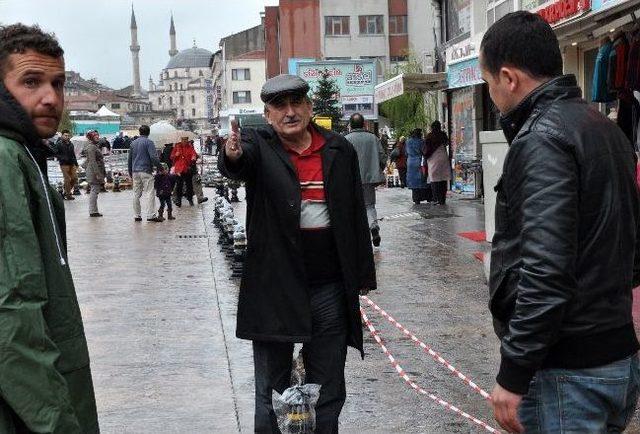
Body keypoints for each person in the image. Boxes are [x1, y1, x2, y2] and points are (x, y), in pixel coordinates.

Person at [481, 12, 640, 434]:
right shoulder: (603, 128)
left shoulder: (542, 139)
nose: (492, 95)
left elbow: (545, 269)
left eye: (489, 83)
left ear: (508, 77)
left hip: (567, 371)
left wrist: (513, 372)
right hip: (612, 356)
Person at [219, 74, 376, 433]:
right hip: (275, 286)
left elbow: (354, 211)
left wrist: (362, 274)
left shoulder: (338, 149)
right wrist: (231, 153)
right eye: (279, 106)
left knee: (329, 383)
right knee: (270, 388)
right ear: (268, 114)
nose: (289, 112)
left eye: (296, 104)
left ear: (308, 107)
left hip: (329, 286)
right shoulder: (259, 146)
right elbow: (237, 162)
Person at [0, 23, 99, 433]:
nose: (50, 98)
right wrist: (59, 423)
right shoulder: (5, 159)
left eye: (58, 84)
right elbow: (12, 313)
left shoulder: (24, 154)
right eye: (31, 82)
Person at [345, 112, 386, 247]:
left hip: (351, 180)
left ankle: (357, 235)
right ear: (364, 124)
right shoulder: (373, 138)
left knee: (353, 207)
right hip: (369, 179)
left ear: (350, 125)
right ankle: (373, 226)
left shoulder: (346, 140)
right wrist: (377, 170)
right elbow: (382, 157)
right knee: (369, 205)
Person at [128, 125, 162, 222]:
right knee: (149, 193)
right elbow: (153, 157)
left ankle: (137, 215)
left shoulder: (133, 143)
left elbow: (129, 159)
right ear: (148, 132)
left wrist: (130, 172)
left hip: (135, 171)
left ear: (139, 132)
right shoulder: (149, 142)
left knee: (136, 194)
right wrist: (160, 167)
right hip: (146, 170)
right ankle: (151, 215)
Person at [422, 121, 451, 205]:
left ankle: (436, 198)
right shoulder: (443, 135)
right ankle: (442, 199)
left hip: (433, 159)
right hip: (443, 156)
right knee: (443, 179)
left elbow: (426, 149)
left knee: (434, 179)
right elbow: (447, 143)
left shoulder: (429, 136)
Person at [82, 130, 106, 217]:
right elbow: (92, 161)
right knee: (94, 191)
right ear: (91, 138)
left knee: (94, 191)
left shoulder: (93, 146)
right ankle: (93, 211)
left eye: (98, 136)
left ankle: (94, 210)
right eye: (95, 136)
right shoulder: (91, 147)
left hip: (93, 171)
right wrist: (97, 174)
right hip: (94, 172)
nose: (97, 138)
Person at [405, 128, 431, 204]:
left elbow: (406, 152)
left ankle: (416, 199)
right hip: (420, 161)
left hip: (410, 162)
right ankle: (425, 197)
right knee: (422, 179)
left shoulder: (408, 141)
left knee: (413, 181)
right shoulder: (421, 141)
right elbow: (424, 151)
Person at [171, 135, 197, 207]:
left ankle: (190, 198)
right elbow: (172, 157)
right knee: (179, 185)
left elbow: (194, 154)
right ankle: (178, 200)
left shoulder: (190, 147)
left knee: (189, 185)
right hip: (179, 169)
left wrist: (194, 157)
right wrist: (176, 155)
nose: (185, 141)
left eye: (186, 139)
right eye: (183, 139)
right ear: (181, 140)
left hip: (187, 168)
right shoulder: (177, 147)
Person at [55, 128, 79, 200]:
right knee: (67, 179)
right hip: (64, 164)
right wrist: (62, 158)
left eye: (68, 135)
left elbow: (73, 154)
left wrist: (76, 164)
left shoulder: (71, 144)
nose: (67, 137)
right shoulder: (59, 144)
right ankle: (68, 195)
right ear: (62, 135)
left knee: (75, 178)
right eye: (65, 135)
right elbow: (56, 153)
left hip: (72, 163)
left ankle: (66, 191)